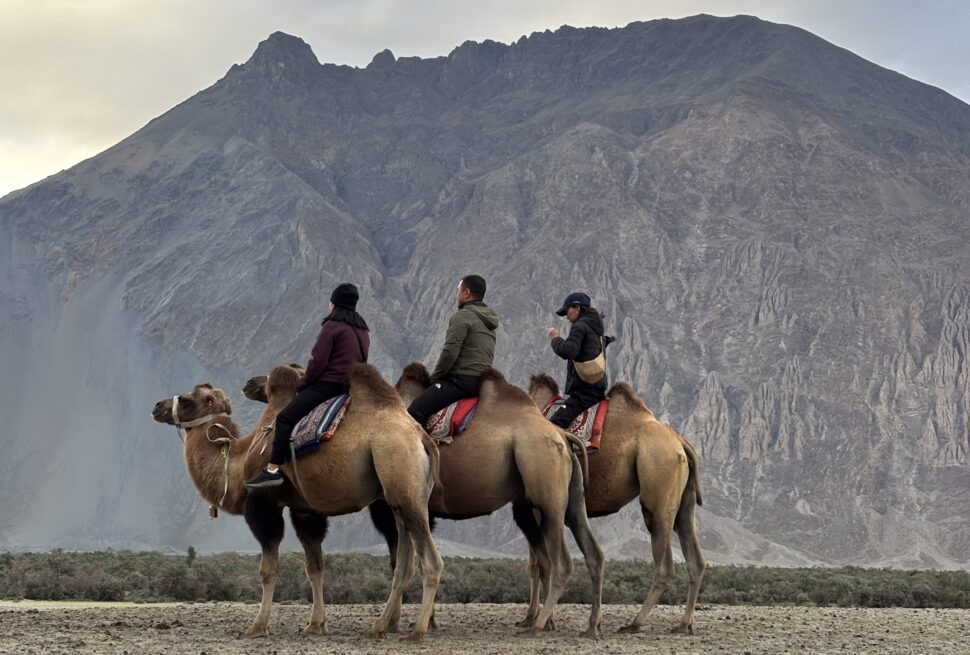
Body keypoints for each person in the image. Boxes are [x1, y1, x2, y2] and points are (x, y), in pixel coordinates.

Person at [245, 283, 370, 488]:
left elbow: (317, 362)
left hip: (328, 387)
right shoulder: (363, 331)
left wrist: (303, 384)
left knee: (284, 418)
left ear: (334, 304)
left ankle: (273, 469)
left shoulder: (331, 326)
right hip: (350, 389)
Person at [407, 275, 499, 428]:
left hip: (461, 382)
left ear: (467, 293)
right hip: (483, 382)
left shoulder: (462, 316)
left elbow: (450, 353)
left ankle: (423, 444)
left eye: (458, 291)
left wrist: (435, 379)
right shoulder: (489, 323)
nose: (457, 295)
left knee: (415, 412)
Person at [546, 292, 608, 429]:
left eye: (568, 310)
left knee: (553, 425)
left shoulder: (579, 326)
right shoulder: (595, 327)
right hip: (597, 389)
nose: (567, 316)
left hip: (584, 393)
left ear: (577, 308)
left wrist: (555, 338)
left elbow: (568, 351)